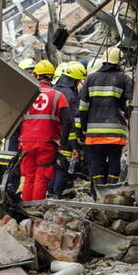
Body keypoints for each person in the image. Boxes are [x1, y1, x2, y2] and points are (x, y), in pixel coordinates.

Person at [78, 47, 133, 191]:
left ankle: (98, 191)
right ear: (119, 61)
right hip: (116, 132)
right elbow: (129, 105)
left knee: (97, 160)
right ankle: (111, 193)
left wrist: (83, 128)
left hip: (94, 132)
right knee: (114, 159)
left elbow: (83, 107)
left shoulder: (90, 78)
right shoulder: (125, 79)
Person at [18, 60, 71, 202]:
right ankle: (36, 210)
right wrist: (63, 142)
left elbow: (15, 118)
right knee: (41, 177)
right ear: (52, 76)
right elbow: (68, 121)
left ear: (36, 75)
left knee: (29, 176)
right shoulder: (58, 96)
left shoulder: (25, 94)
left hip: (27, 142)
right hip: (47, 142)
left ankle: (26, 209)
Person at [0, 58, 36, 192]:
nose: (33, 75)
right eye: (29, 72)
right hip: (9, 143)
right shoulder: (21, 93)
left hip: (10, 143)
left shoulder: (17, 91)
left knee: (10, 176)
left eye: (34, 72)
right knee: (8, 176)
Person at [49, 60, 87, 197]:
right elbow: (73, 120)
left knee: (53, 165)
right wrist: (76, 144)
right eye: (78, 81)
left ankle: (51, 192)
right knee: (63, 166)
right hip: (66, 137)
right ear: (74, 80)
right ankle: (56, 193)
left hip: (51, 135)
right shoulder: (70, 95)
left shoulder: (54, 90)